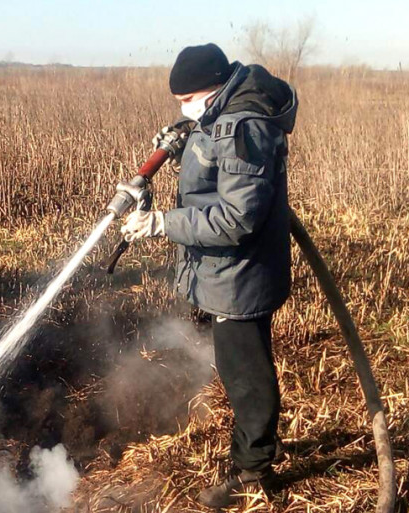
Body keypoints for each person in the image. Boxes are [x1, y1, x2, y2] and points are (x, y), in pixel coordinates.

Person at [121, 43, 297, 508]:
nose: (184, 108)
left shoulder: (245, 126)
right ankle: (255, 446)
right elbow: (215, 178)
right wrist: (185, 145)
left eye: (188, 99)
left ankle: (253, 471)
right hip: (224, 272)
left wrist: (163, 224)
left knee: (247, 376)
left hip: (242, 277)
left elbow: (238, 218)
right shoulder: (222, 115)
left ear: (214, 87)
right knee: (237, 366)